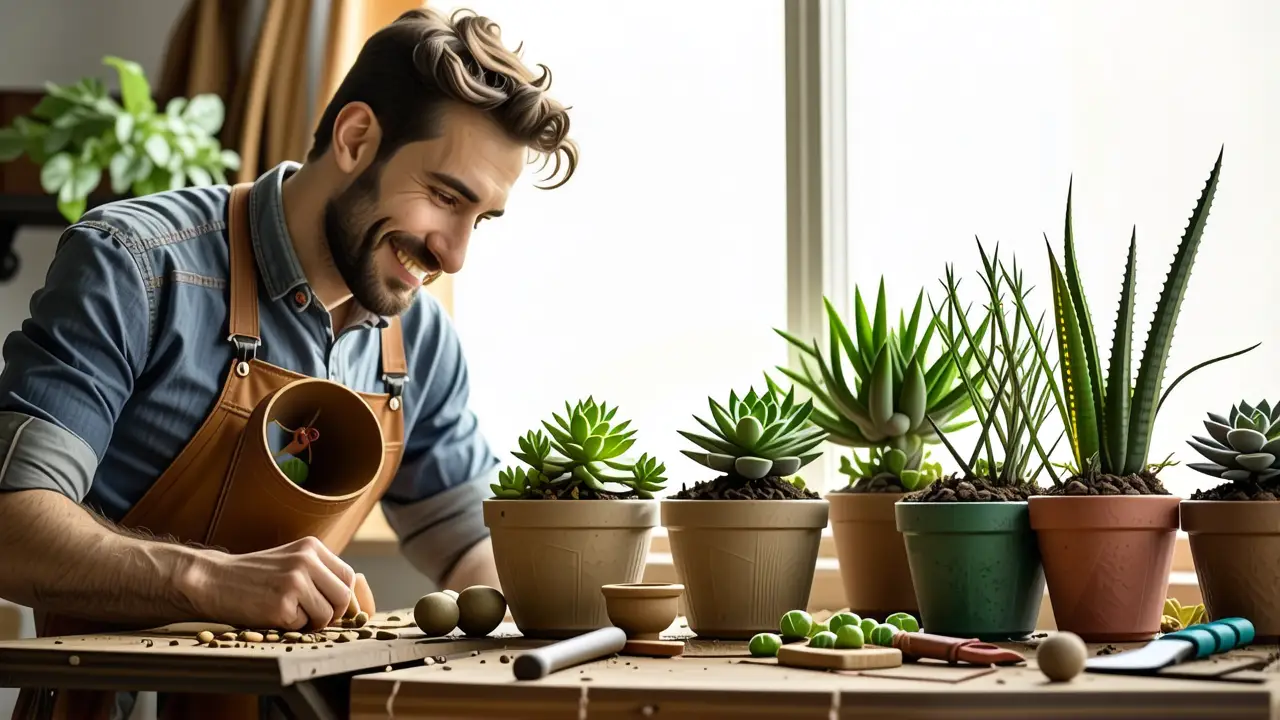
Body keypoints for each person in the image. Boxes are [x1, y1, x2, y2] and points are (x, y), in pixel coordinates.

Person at [0, 7, 576, 718]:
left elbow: (471, 550)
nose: (455, 253)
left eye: (479, 219)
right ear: (357, 137)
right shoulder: (138, 267)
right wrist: (213, 581)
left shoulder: (420, 340)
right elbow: (11, 527)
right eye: (443, 197)